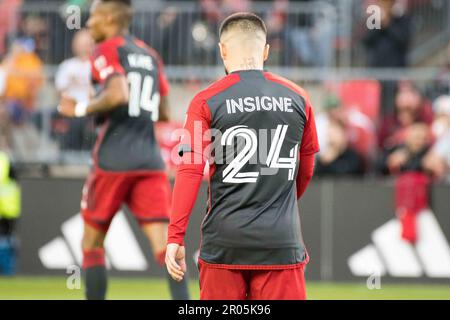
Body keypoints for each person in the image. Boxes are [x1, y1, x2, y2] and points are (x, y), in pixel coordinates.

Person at [165, 12, 319, 300]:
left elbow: (189, 170)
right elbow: (306, 168)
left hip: (225, 244)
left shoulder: (205, 100)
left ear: (222, 49)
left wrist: (176, 235)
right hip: (281, 242)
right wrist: (276, 204)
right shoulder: (298, 96)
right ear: (265, 51)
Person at [58, 0, 189, 300]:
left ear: (110, 18)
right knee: (167, 250)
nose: (89, 24)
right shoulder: (150, 54)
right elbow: (165, 111)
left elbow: (118, 93)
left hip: (113, 160)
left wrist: (79, 107)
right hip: (149, 160)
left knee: (91, 244)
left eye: (93, 17)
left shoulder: (105, 50)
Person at [55, 29, 95, 151]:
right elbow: (59, 89)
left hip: (91, 109)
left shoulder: (96, 64)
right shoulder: (67, 65)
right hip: (70, 108)